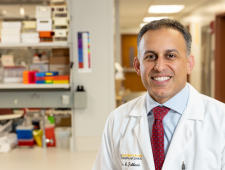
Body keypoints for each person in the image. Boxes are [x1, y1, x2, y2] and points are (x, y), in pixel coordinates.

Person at [92, 19, 225, 170]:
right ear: (137, 65)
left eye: (171, 56)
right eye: (150, 56)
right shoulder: (117, 120)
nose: (160, 67)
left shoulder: (221, 120)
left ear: (189, 64)